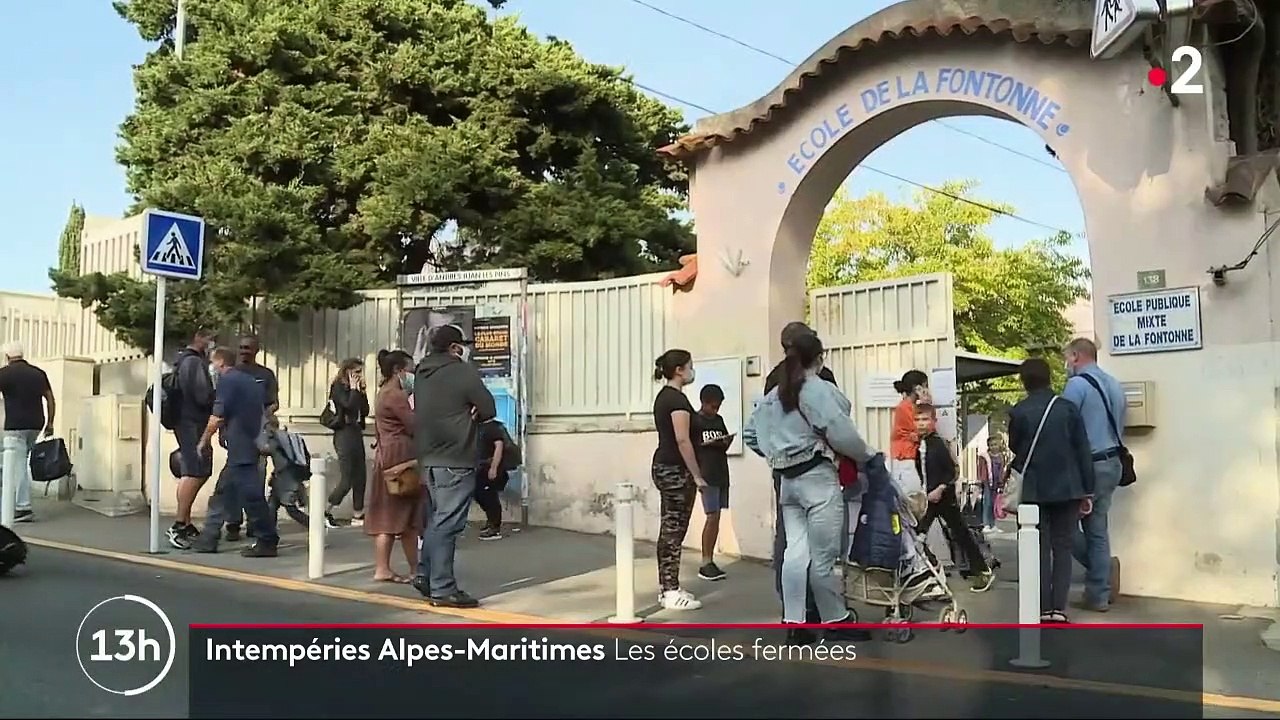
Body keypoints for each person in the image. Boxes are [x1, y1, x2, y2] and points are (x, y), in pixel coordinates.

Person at [744, 332, 872, 645]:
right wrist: (866, 457)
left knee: (795, 553)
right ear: (819, 357)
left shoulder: (774, 394)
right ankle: (835, 620)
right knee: (824, 556)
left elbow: (749, 434)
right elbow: (840, 431)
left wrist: (776, 452)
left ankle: (794, 622)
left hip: (787, 482)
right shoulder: (815, 388)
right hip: (817, 478)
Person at [412, 324, 495, 609]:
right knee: (448, 524)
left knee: (437, 521)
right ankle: (443, 587)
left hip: (429, 458)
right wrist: (472, 407)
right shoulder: (461, 371)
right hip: (456, 457)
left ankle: (425, 574)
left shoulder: (422, 373)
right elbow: (488, 408)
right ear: (454, 348)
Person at [1007, 358, 1096, 623]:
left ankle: (1043, 607)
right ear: (1048, 378)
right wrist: (1087, 490)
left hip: (1035, 489)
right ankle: (1059, 608)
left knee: (1040, 547)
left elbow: (1016, 447)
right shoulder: (1067, 409)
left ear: (1024, 381)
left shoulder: (1019, 412)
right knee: (1063, 547)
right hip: (1068, 489)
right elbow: (1083, 450)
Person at [763, 321, 835, 623]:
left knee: (790, 539)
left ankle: (792, 610)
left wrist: (775, 456)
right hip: (816, 468)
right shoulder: (822, 377)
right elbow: (834, 422)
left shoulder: (773, 378)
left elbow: (760, 427)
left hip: (784, 470)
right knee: (821, 539)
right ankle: (819, 607)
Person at [190, 347, 277, 557]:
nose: (212, 368)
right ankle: (209, 537)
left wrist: (203, 441)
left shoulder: (228, 382)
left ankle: (267, 539)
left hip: (241, 446)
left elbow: (217, 416)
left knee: (251, 495)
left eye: (213, 363)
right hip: (249, 442)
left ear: (220, 362)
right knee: (224, 491)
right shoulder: (249, 381)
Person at [1062, 337, 1126, 611]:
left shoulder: (1076, 385)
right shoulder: (1114, 383)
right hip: (1113, 462)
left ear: (1076, 356)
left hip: (1088, 465)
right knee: (1097, 527)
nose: (1066, 363)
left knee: (1063, 524)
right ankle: (1099, 592)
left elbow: (1063, 425)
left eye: (1067, 357)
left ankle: (1102, 575)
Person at [913, 404, 996, 592]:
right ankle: (928, 573)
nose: (921, 424)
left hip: (944, 499)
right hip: (929, 499)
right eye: (917, 420)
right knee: (920, 534)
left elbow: (952, 471)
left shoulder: (938, 444)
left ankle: (981, 571)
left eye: (925, 419)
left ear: (934, 422)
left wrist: (940, 488)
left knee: (957, 534)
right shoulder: (920, 445)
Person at [650, 348, 706, 611]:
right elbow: (682, 439)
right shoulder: (675, 400)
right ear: (679, 370)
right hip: (674, 470)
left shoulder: (667, 397)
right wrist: (696, 475)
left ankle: (669, 585)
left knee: (671, 528)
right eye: (690, 366)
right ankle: (670, 590)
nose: (692, 370)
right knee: (673, 530)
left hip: (667, 466)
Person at [365, 350, 423, 583]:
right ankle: (407, 568)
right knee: (402, 515)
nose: (412, 374)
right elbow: (413, 424)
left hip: (386, 454)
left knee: (392, 514)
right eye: (410, 369)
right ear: (399, 371)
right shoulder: (396, 395)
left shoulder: (383, 393)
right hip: (400, 457)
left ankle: (395, 568)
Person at [166, 329, 217, 549]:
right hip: (193, 422)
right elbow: (202, 395)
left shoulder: (181, 360)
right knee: (196, 471)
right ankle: (178, 524)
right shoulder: (194, 363)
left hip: (185, 421)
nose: (212, 343)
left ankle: (185, 522)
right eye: (209, 338)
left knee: (194, 470)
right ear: (198, 337)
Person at [224, 334, 278, 542]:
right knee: (234, 481)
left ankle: (255, 524)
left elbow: (273, 403)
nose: (244, 351)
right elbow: (222, 406)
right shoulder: (231, 374)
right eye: (241, 347)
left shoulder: (265, 375)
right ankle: (233, 523)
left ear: (257, 350)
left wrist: (261, 416)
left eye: (248, 347)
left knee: (257, 479)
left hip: (258, 435)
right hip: (236, 435)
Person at [0, 343, 54, 523]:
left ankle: (23, 507)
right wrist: (50, 423)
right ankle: (18, 504)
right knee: (21, 464)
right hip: (36, 425)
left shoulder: (4, 374)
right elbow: (49, 398)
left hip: (15, 426)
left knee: (17, 467)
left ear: (8, 357)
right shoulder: (38, 373)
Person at [692, 383, 733, 582]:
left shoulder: (719, 420)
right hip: (706, 473)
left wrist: (725, 441)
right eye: (713, 407)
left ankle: (710, 560)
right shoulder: (695, 421)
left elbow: (724, 444)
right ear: (704, 403)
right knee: (712, 516)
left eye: (718, 407)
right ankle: (705, 561)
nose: (715, 411)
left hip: (721, 472)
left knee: (717, 517)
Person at [324, 358, 370, 529]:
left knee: (360, 475)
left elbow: (364, 410)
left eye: (361, 372)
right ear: (347, 371)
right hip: (343, 433)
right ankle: (326, 511)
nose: (359, 375)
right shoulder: (338, 388)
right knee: (347, 477)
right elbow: (349, 406)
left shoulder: (357, 389)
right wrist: (352, 389)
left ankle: (358, 513)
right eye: (356, 372)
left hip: (356, 431)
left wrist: (361, 391)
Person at [473, 417, 511, 541]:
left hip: (489, 467)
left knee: (489, 496)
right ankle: (491, 522)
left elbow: (498, 447)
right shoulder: (478, 426)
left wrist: (494, 467)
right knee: (479, 494)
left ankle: (495, 527)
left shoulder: (493, 428)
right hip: (480, 468)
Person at [976, 433, 1011, 533]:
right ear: (988, 446)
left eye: (995, 444)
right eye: (991, 445)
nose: (994, 447)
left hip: (997, 483)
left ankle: (993, 524)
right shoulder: (985, 456)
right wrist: (982, 480)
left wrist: (1002, 482)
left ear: (999, 445)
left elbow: (1001, 470)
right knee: (987, 503)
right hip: (987, 482)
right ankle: (986, 524)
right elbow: (981, 469)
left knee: (994, 504)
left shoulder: (1000, 457)